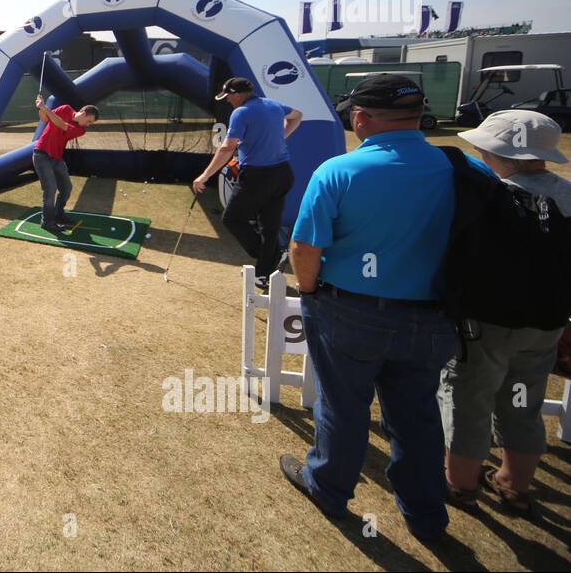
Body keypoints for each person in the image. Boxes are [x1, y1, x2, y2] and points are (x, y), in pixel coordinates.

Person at [279, 73, 489, 542]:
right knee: (416, 414)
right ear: (419, 115)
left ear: (360, 118)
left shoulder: (338, 171)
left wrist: (310, 292)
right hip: (433, 317)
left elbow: (304, 247)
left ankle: (329, 487)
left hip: (347, 312)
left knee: (343, 405)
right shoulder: (465, 169)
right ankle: (425, 513)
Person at [439, 110, 571, 513]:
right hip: (546, 323)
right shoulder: (565, 195)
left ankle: (460, 484)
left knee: (469, 401)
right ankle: (515, 484)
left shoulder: (487, 196)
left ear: (494, 150)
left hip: (486, 323)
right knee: (522, 401)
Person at [193, 77, 302, 288]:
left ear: (238, 94)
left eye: (228, 96)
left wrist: (204, 176)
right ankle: (264, 273)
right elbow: (297, 116)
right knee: (269, 226)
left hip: (258, 177)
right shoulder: (273, 104)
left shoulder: (241, 112)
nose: (227, 101)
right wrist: (281, 136)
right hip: (283, 174)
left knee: (232, 218)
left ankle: (270, 257)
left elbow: (226, 148)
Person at [31, 94, 99, 233]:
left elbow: (61, 124)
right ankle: (47, 222)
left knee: (66, 188)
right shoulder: (65, 109)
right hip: (41, 155)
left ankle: (58, 214)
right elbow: (45, 118)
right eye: (89, 121)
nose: (88, 125)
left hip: (56, 158)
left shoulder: (81, 130)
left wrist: (45, 108)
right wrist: (40, 107)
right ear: (84, 113)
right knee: (50, 189)